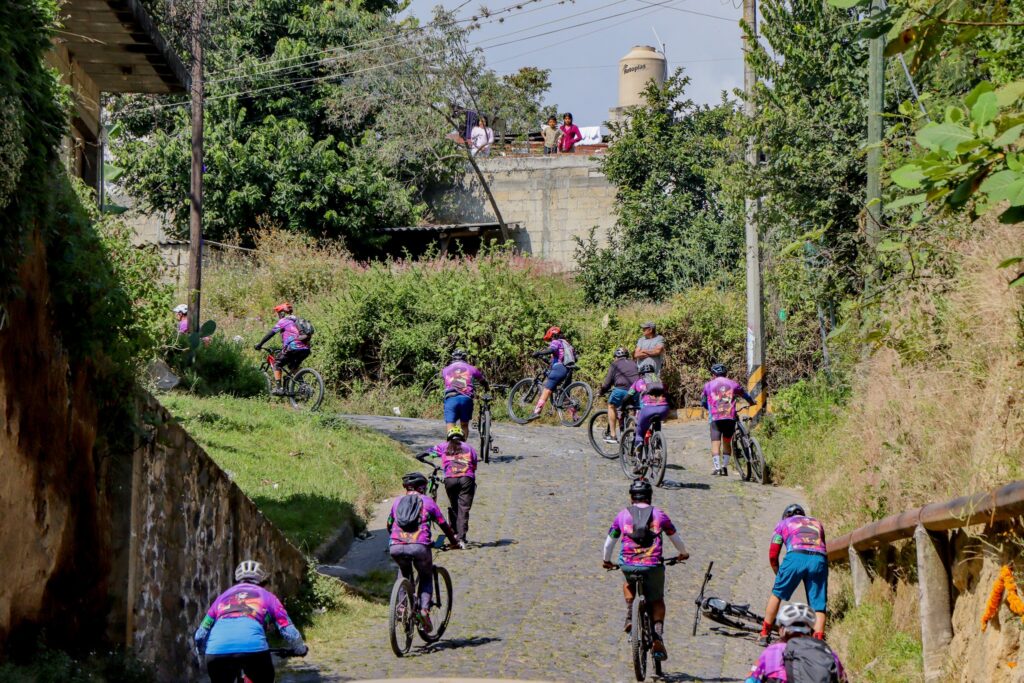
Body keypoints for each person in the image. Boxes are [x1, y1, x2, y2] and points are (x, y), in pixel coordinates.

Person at [602, 479, 689, 662]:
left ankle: (629, 614)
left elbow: (609, 542)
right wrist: (683, 554)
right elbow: (675, 538)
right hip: (652, 565)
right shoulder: (659, 515)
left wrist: (606, 561)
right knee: (657, 599)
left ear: (631, 497)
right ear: (650, 497)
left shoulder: (622, 516)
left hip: (628, 563)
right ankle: (657, 636)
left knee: (628, 583)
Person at [193, 560, 307, 683]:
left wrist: (201, 651)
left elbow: (201, 634)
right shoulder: (268, 596)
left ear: (236, 582)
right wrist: (299, 647)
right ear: (262, 583)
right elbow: (286, 627)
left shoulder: (222, 598)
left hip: (216, 651)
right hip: (253, 648)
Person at [387, 472, 462, 632]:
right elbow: (444, 525)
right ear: (422, 487)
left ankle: (400, 608)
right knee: (426, 575)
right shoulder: (428, 502)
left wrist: (398, 538)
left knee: (403, 571)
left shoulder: (397, 502)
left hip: (396, 545)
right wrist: (454, 541)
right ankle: (423, 611)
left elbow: (389, 524)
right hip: (419, 546)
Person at [758, 504, 829, 647]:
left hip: (795, 556)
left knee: (777, 593)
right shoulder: (817, 523)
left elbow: (773, 554)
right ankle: (818, 641)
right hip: (819, 559)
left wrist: (778, 573)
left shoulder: (782, 524)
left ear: (785, 515)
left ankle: (765, 633)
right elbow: (822, 546)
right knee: (819, 604)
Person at [746, 603, 847, 682]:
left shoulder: (772, 650)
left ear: (781, 630)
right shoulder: (827, 652)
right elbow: (843, 679)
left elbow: (752, 679)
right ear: (810, 631)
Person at [422, 427, 478, 545]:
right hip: (466, 479)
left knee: (454, 506)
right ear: (463, 437)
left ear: (449, 437)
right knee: (463, 509)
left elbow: (430, 452)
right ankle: (461, 538)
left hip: (450, 479)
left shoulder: (443, 446)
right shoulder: (470, 448)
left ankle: (454, 532)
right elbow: (474, 466)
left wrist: (422, 455)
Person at [701, 363, 756, 476]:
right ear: (726, 374)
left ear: (713, 374)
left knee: (716, 443)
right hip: (729, 417)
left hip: (715, 418)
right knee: (727, 442)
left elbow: (703, 401)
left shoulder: (708, 385)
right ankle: (724, 468)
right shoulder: (733, 384)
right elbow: (745, 395)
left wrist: (709, 408)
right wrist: (751, 402)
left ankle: (717, 468)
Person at [253, 303, 311, 396]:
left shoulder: (283, 321)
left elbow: (270, 334)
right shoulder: (297, 320)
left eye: (279, 313)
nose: (279, 315)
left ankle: (279, 388)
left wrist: (260, 344)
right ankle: (303, 385)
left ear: (283, 313)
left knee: (277, 364)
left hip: (293, 347)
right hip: (306, 349)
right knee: (293, 366)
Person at [528, 325, 577, 420]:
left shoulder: (556, 342)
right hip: (569, 370)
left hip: (559, 369)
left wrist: (539, 353)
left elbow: (551, 349)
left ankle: (536, 412)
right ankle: (576, 418)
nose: (550, 341)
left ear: (553, 335)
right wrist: (546, 359)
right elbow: (574, 358)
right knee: (565, 395)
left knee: (547, 389)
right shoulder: (567, 344)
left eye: (550, 339)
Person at [626, 360, 670, 456]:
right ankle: (658, 447)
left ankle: (639, 462)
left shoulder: (639, 382)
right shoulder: (660, 381)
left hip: (647, 409)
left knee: (639, 433)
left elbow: (628, 396)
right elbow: (668, 394)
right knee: (657, 421)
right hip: (664, 408)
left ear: (641, 374)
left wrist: (622, 405)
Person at [441, 349, 488, 435]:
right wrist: (486, 387)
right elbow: (482, 380)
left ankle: (451, 445)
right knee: (464, 425)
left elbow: (444, 379)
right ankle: (463, 446)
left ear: (453, 358)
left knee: (450, 425)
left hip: (451, 398)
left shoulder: (445, 370)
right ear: (465, 358)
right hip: (466, 399)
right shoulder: (472, 368)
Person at [598, 347, 640, 444]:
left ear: (616, 356)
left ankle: (613, 435)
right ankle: (632, 432)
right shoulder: (634, 363)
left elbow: (607, 383)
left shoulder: (614, 364)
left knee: (611, 405)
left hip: (621, 390)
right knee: (633, 408)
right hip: (636, 390)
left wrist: (601, 392)